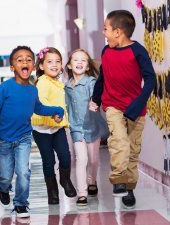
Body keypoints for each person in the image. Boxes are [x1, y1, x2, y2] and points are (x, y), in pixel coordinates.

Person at [0, 46, 64, 218]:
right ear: (12, 67)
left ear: (33, 66)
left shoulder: (33, 90)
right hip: (4, 138)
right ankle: (3, 187)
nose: (25, 62)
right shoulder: (5, 87)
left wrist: (57, 109)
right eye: (19, 60)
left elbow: (39, 108)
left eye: (28, 59)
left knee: (24, 171)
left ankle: (20, 203)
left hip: (24, 137)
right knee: (5, 174)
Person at [90, 10, 155, 209]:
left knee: (133, 151)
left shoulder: (138, 51)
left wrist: (137, 104)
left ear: (118, 32)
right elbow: (102, 78)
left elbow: (151, 79)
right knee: (119, 141)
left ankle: (129, 187)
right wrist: (96, 98)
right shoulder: (106, 51)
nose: (104, 33)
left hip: (136, 109)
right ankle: (118, 178)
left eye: (106, 29)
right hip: (113, 106)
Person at [31, 47, 77, 205]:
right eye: (49, 62)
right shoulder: (42, 83)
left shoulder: (58, 82)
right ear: (41, 66)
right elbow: (42, 104)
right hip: (41, 130)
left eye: (58, 61)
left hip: (56, 128)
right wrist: (53, 114)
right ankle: (52, 191)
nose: (55, 65)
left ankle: (65, 180)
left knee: (65, 155)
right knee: (48, 160)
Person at [64, 49, 109, 206]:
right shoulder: (67, 86)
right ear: (69, 65)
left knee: (94, 160)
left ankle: (92, 181)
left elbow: (95, 95)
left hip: (92, 126)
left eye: (83, 60)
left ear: (88, 66)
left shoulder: (91, 82)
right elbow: (66, 105)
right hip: (76, 127)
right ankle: (82, 193)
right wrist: (64, 119)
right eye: (76, 60)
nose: (79, 63)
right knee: (81, 159)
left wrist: (93, 102)